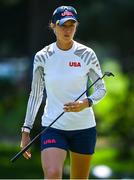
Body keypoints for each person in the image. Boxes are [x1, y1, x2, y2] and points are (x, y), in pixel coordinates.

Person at [20, 5, 106, 179]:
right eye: (63, 25)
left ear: (76, 26)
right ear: (53, 26)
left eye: (71, 25)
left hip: (84, 128)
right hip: (54, 127)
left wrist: (86, 103)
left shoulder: (87, 54)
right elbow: (35, 95)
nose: (67, 30)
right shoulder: (42, 56)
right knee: (52, 173)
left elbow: (101, 88)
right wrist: (26, 131)